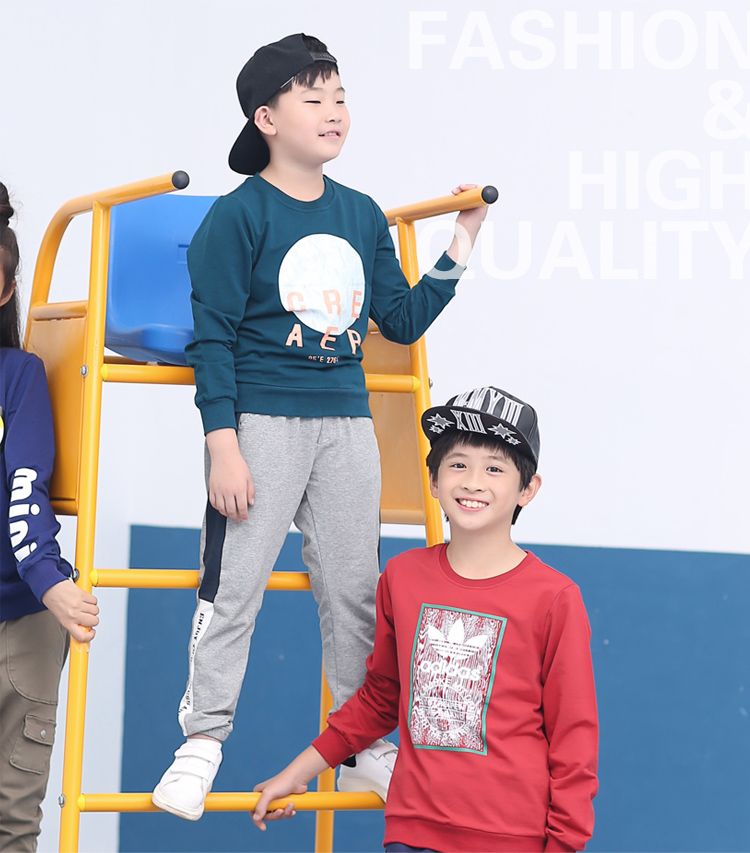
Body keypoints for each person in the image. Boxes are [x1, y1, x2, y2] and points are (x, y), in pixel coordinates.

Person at [151, 32, 488, 821]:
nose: (334, 110)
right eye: (314, 97)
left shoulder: (361, 214)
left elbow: (401, 320)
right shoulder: (238, 216)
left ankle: (364, 743)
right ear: (267, 118)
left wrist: (463, 237)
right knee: (233, 586)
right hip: (261, 424)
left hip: (346, 424)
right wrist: (223, 444)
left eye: (340, 96)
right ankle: (201, 741)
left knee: (355, 594)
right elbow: (213, 340)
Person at [252, 386, 599, 852]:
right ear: (433, 480)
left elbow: (573, 739)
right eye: (458, 464)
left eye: (494, 469)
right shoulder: (403, 578)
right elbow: (378, 700)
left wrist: (564, 845)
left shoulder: (555, 598)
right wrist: (296, 774)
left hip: (513, 838)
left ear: (527, 489)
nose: (473, 482)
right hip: (413, 832)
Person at [0, 183, 100, 852]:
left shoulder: (19, 374)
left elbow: (25, 484)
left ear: (6, 290)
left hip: (23, 620)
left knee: (13, 824)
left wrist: (46, 577)